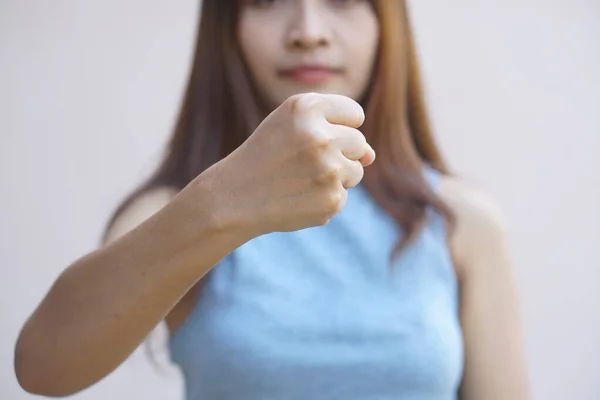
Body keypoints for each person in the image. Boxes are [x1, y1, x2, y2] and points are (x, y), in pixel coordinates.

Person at [14, 0, 531, 399]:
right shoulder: (173, 212)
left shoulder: (462, 221)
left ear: (385, 22)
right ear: (227, 26)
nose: (308, 30)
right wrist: (220, 204)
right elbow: (43, 366)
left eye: (344, 0)